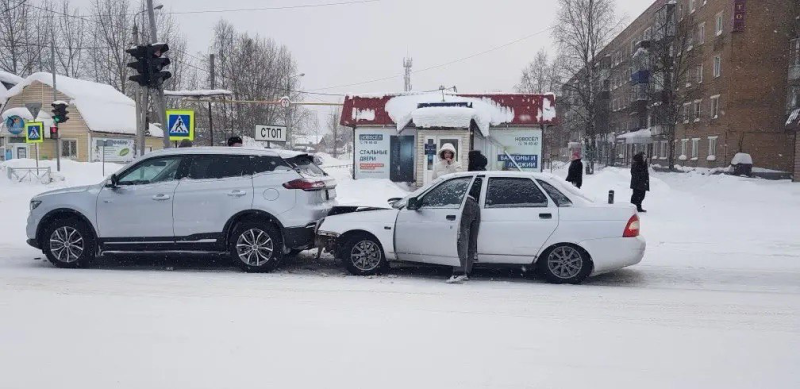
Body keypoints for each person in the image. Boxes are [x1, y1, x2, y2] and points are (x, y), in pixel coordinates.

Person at [447, 194, 480, 284]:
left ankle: (459, 272)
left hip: (465, 202)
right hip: (475, 204)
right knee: (471, 241)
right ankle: (466, 271)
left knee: (462, 238)